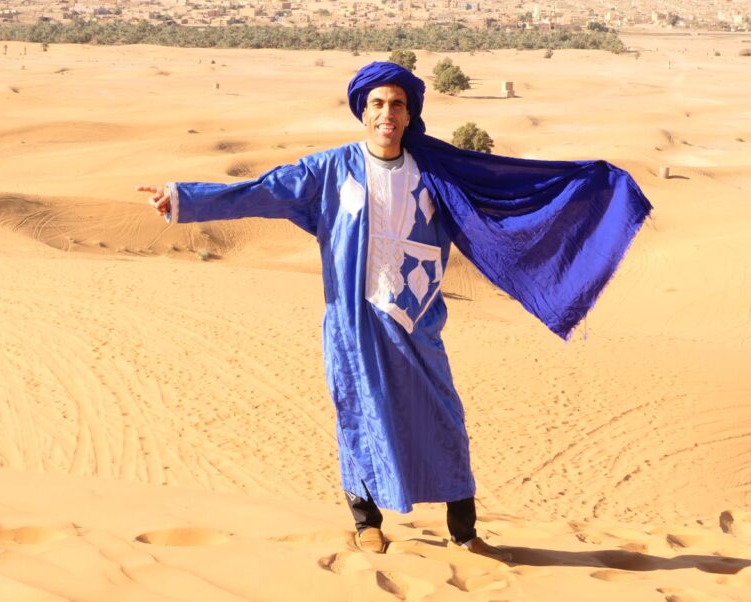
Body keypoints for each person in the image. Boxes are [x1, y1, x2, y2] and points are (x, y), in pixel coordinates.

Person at [138, 61, 651, 561]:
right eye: (378, 103)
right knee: (358, 413)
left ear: (410, 114)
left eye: (398, 105)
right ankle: (367, 523)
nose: (388, 113)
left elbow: (510, 191)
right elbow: (263, 190)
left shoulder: (437, 172)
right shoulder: (330, 169)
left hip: (419, 319)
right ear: (363, 111)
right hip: (354, 321)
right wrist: (184, 198)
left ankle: (465, 533)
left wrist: (592, 187)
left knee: (444, 419)